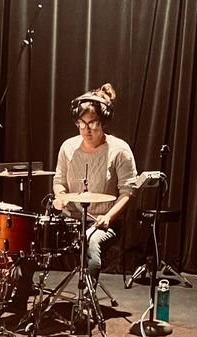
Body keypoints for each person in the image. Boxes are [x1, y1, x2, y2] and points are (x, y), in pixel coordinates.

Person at [52, 83, 137, 289]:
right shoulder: (68, 147)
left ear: (104, 121)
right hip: (71, 219)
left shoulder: (119, 150)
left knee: (91, 243)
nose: (87, 130)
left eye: (93, 123)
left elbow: (127, 191)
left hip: (101, 222)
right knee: (32, 237)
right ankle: (19, 299)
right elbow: (59, 182)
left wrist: (108, 217)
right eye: (81, 123)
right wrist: (60, 196)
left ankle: (87, 303)